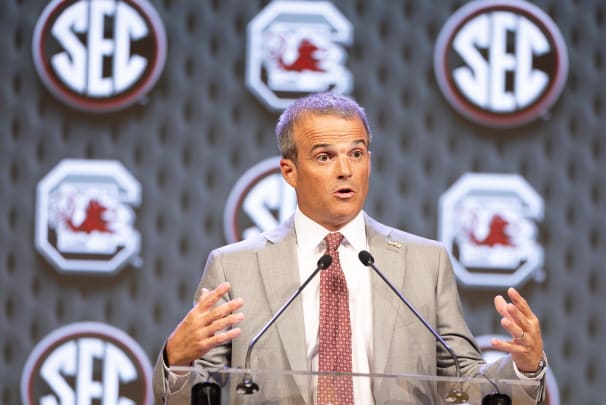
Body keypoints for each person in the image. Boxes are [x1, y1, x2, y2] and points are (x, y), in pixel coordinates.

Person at [153, 92, 547, 404]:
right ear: (289, 171)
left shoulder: (425, 262)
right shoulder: (233, 267)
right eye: (325, 156)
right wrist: (178, 359)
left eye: (356, 154)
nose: (345, 170)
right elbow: (200, 393)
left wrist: (525, 369)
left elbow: (463, 386)